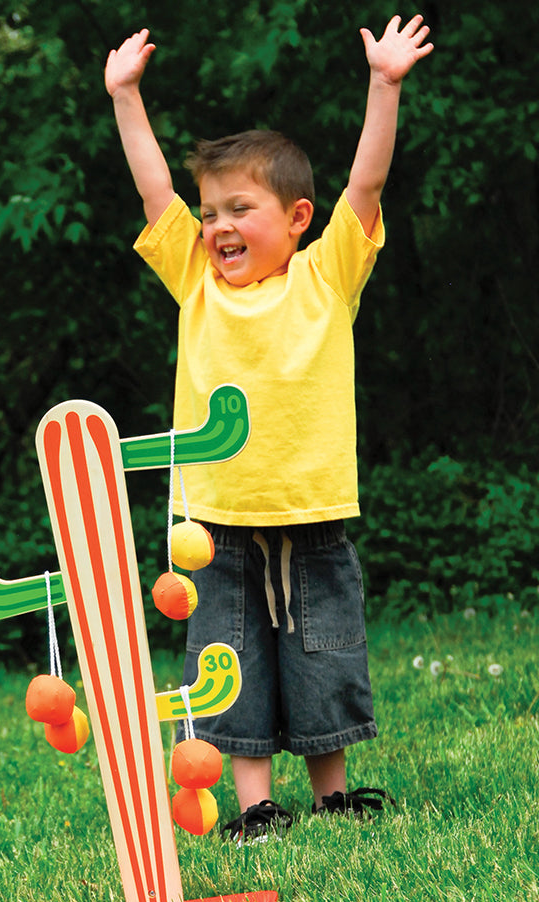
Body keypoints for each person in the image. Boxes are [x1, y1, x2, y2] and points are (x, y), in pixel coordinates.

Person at [105, 16, 432, 841]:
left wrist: (383, 85)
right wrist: (125, 96)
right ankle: (255, 806)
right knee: (229, 657)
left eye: (238, 208)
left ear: (295, 218)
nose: (216, 226)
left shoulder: (326, 276)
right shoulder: (195, 283)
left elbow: (367, 186)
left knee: (325, 651)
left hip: (313, 509)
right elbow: (154, 191)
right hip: (214, 522)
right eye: (210, 211)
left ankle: (331, 792)